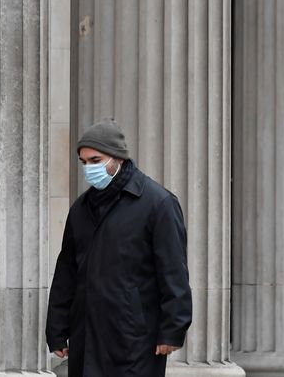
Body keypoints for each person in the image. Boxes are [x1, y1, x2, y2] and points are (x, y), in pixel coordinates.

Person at [46, 118, 192, 376]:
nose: (89, 169)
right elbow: (67, 270)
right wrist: (57, 328)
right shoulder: (81, 209)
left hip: (134, 338)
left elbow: (174, 271)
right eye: (84, 162)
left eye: (95, 161)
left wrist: (173, 330)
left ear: (118, 158)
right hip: (87, 334)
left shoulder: (158, 204)